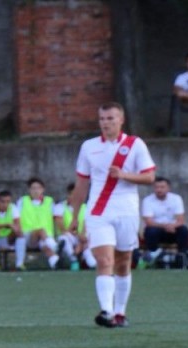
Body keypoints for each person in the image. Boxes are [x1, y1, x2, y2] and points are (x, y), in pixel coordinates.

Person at [68, 102, 156, 328]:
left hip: (126, 211)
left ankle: (120, 312)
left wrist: (124, 175)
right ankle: (106, 311)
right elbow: (81, 184)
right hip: (98, 211)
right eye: (102, 118)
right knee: (103, 260)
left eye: (110, 118)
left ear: (121, 120)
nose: (105, 123)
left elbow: (149, 177)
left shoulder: (135, 145)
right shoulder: (88, 147)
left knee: (123, 262)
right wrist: (75, 216)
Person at [140, 177, 188, 264]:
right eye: (157, 187)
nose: (159, 190)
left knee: (184, 230)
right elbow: (148, 222)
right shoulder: (147, 200)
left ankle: (182, 257)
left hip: (173, 229)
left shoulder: (176, 199)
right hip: (157, 229)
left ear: (168, 188)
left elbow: (180, 220)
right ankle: (153, 257)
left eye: (162, 187)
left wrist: (172, 226)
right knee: (151, 231)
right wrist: (165, 226)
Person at [17, 178, 60, 270]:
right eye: (33, 188)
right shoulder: (22, 201)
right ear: (29, 190)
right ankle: (56, 247)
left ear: (43, 189)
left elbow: (55, 218)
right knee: (41, 231)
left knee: (45, 246)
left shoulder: (50, 202)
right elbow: (17, 218)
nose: (36, 191)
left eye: (38, 188)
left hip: (46, 237)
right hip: (28, 236)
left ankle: (55, 261)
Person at [56, 182, 97, 270]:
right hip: (70, 236)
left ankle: (86, 260)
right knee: (64, 238)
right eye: (73, 194)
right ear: (68, 195)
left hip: (83, 238)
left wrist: (82, 241)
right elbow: (62, 228)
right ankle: (73, 259)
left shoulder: (86, 207)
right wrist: (79, 237)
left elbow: (87, 225)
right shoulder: (59, 207)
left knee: (92, 263)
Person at [0, 190, 25, 271]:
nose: (5, 204)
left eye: (8, 201)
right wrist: (7, 224)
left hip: (7, 239)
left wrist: (13, 227)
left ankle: (19, 264)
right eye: (2, 202)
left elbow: (17, 226)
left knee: (19, 233)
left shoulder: (13, 208)